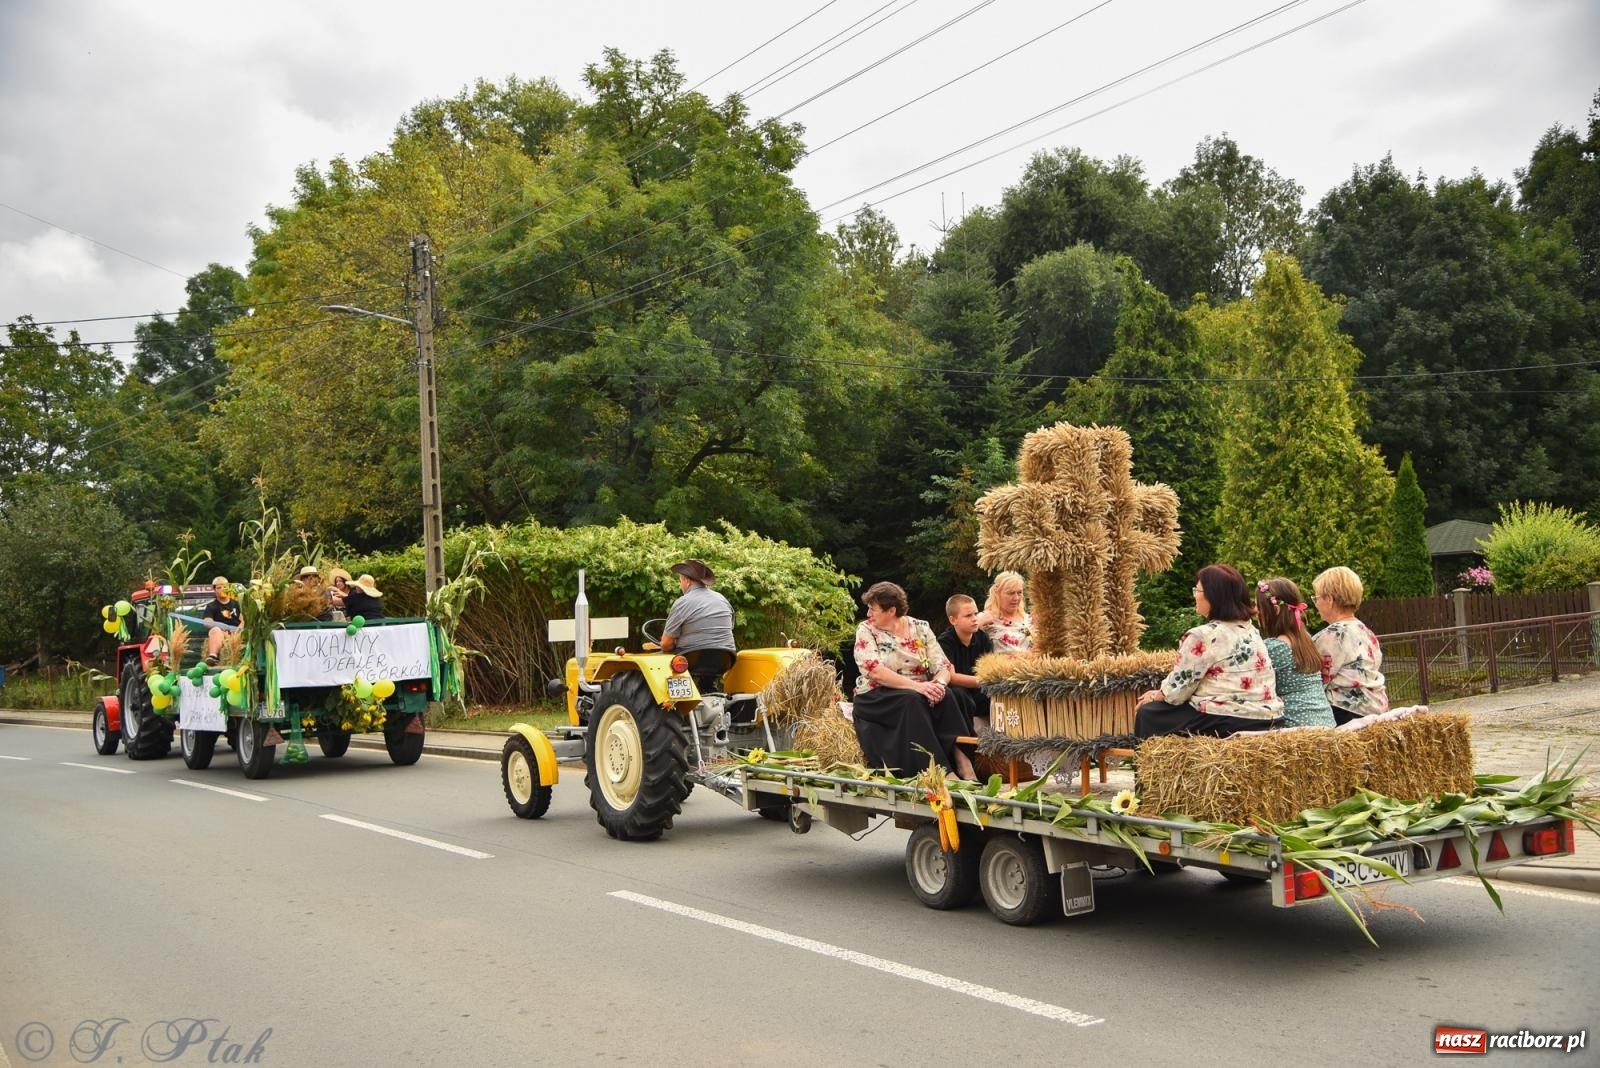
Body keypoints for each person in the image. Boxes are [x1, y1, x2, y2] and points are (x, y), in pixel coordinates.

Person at [1134, 564, 1283, 739]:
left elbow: (1177, 692)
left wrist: (1155, 695)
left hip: (1230, 719)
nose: (1195, 596)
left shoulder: (1202, 635)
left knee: (1149, 713)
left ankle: (1148, 766)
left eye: (1197, 591)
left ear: (1213, 596)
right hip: (1269, 718)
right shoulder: (1251, 630)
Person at [851, 581, 979, 780]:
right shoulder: (866, 630)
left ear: (891, 610)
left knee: (950, 695)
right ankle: (941, 773)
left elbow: (943, 666)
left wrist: (939, 685)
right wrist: (919, 687)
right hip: (878, 694)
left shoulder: (920, 627)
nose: (868, 614)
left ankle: (965, 765)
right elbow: (874, 671)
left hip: (920, 688)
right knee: (912, 700)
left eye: (872, 609)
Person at [1311, 566, 1389, 724]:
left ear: (1330, 600)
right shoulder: (1365, 631)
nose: (1316, 604)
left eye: (1316, 598)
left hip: (1347, 713)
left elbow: (1316, 680)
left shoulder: (1331, 636)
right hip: (1377, 709)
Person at [1255, 577, 1335, 728]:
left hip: (1298, 727)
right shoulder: (1306, 640)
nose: (1256, 612)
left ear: (1275, 610)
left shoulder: (1275, 647)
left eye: (1259, 608)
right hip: (1326, 723)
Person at [659, 559, 735, 691]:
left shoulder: (682, 602)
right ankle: (708, 688)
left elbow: (665, 644)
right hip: (726, 658)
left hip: (693, 659)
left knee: (660, 661)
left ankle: (669, 703)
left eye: (680, 580)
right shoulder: (722, 599)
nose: (680, 585)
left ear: (687, 580)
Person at [937, 593, 994, 730]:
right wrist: (983, 681)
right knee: (959, 694)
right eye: (968, 616)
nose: (975, 619)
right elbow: (952, 677)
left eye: (976, 614)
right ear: (953, 620)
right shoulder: (945, 642)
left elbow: (991, 670)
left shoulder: (983, 638)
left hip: (980, 690)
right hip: (960, 692)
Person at [975, 570, 1032, 653]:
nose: (1016, 598)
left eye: (1019, 593)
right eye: (1011, 593)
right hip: (1000, 665)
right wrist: (979, 623)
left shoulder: (1029, 619)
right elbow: (961, 636)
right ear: (997, 593)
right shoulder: (985, 618)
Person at [201, 575, 240, 665]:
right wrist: (220, 626)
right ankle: (213, 656)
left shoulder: (237, 603)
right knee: (215, 630)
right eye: (219, 587)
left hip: (237, 633)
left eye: (225, 587)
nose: (222, 589)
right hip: (221, 633)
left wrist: (238, 631)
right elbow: (207, 622)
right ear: (214, 590)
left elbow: (243, 620)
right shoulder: (211, 606)